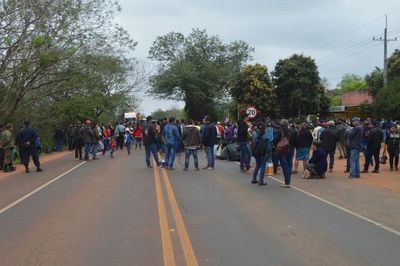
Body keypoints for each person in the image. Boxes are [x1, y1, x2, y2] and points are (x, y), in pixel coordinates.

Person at [274, 119, 292, 187]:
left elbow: (275, 140)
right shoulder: (291, 131)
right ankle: (288, 180)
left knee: (285, 166)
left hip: (282, 150)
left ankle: (287, 182)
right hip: (290, 149)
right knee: (289, 165)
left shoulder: (279, 131)